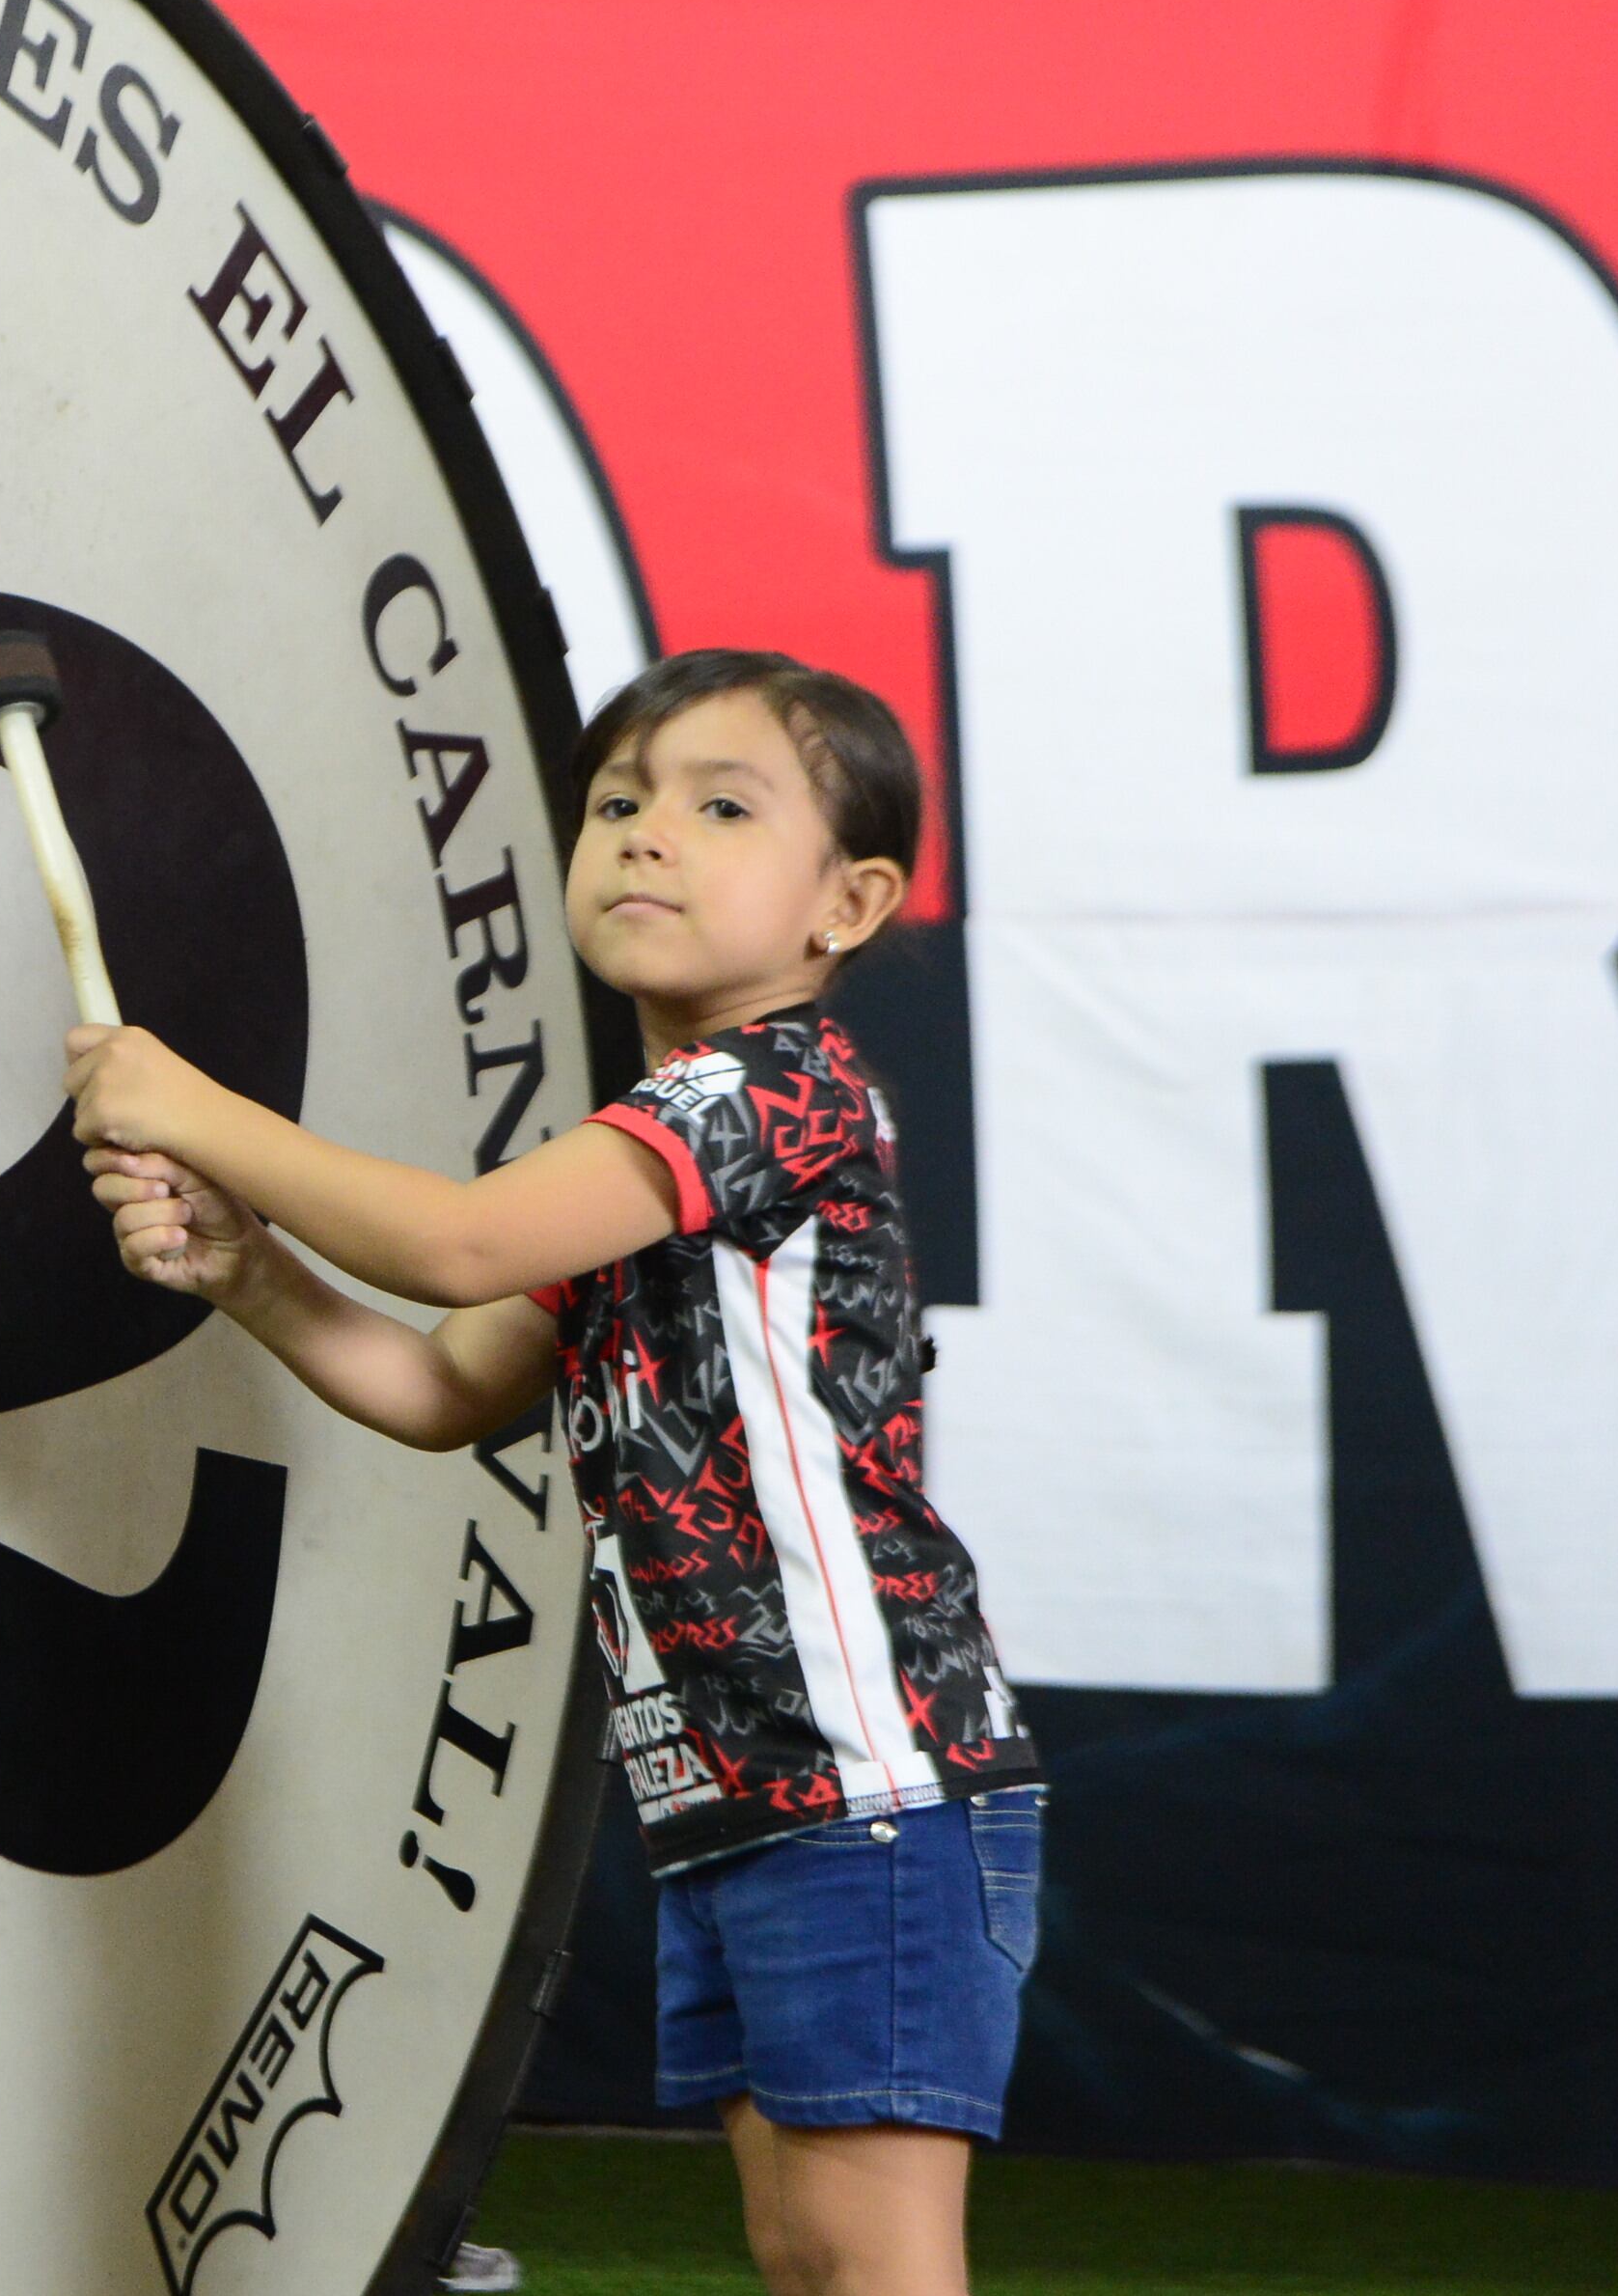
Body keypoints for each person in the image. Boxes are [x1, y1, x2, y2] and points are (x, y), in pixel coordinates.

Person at [66, 649, 1044, 2296]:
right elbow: (446, 1383)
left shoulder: (771, 1095)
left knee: (874, 2266)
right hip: (736, 1804)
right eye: (619, 803)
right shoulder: (648, 1143)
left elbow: (455, 1248)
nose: (649, 835)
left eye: (722, 807)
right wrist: (248, 1273)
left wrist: (195, 1111)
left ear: (849, 904)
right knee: (806, 2252)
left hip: (865, 1784)